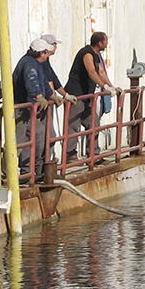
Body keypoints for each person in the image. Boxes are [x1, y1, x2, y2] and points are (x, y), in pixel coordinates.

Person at [13, 37, 63, 181]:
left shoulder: (35, 63)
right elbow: (32, 81)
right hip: (23, 108)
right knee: (21, 142)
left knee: (39, 137)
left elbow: (43, 81)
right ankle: (21, 173)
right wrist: (39, 97)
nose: (48, 55)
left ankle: (37, 171)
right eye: (47, 53)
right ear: (42, 53)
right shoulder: (29, 64)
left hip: (31, 109)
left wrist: (52, 96)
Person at [65, 31, 114, 160]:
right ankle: (70, 154)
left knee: (93, 123)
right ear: (100, 43)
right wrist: (104, 87)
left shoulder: (96, 55)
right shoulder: (87, 53)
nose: (107, 44)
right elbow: (91, 72)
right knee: (73, 124)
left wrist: (111, 87)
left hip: (87, 95)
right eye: (105, 42)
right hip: (76, 94)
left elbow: (101, 72)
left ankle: (94, 155)